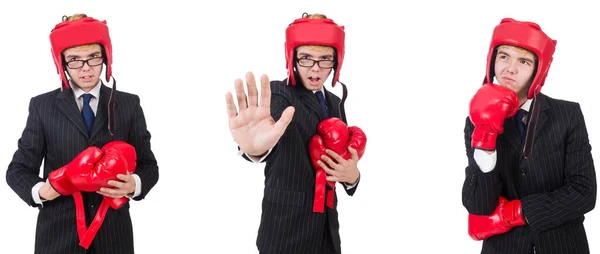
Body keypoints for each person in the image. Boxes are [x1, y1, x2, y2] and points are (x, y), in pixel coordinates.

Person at [5, 13, 159, 254]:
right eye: (74, 60)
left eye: (93, 58)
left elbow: (149, 165)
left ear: (105, 57)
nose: (85, 68)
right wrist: (41, 191)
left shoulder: (128, 104)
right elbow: (17, 170)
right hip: (57, 238)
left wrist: (134, 184)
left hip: (114, 238)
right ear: (62, 63)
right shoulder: (42, 106)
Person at [225, 13, 367, 254]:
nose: (315, 68)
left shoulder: (334, 102)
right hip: (285, 233)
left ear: (336, 62)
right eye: (306, 58)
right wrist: (254, 149)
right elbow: (268, 132)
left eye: (325, 59)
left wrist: (352, 177)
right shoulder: (280, 94)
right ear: (292, 58)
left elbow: (340, 160)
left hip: (327, 236)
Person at [462, 18, 597, 254]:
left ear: (538, 69)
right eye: (504, 56)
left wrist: (517, 212)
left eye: (523, 61)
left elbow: (584, 193)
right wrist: (485, 138)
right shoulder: (475, 121)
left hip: (562, 246)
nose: (510, 68)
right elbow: (479, 206)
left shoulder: (568, 114)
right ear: (492, 60)